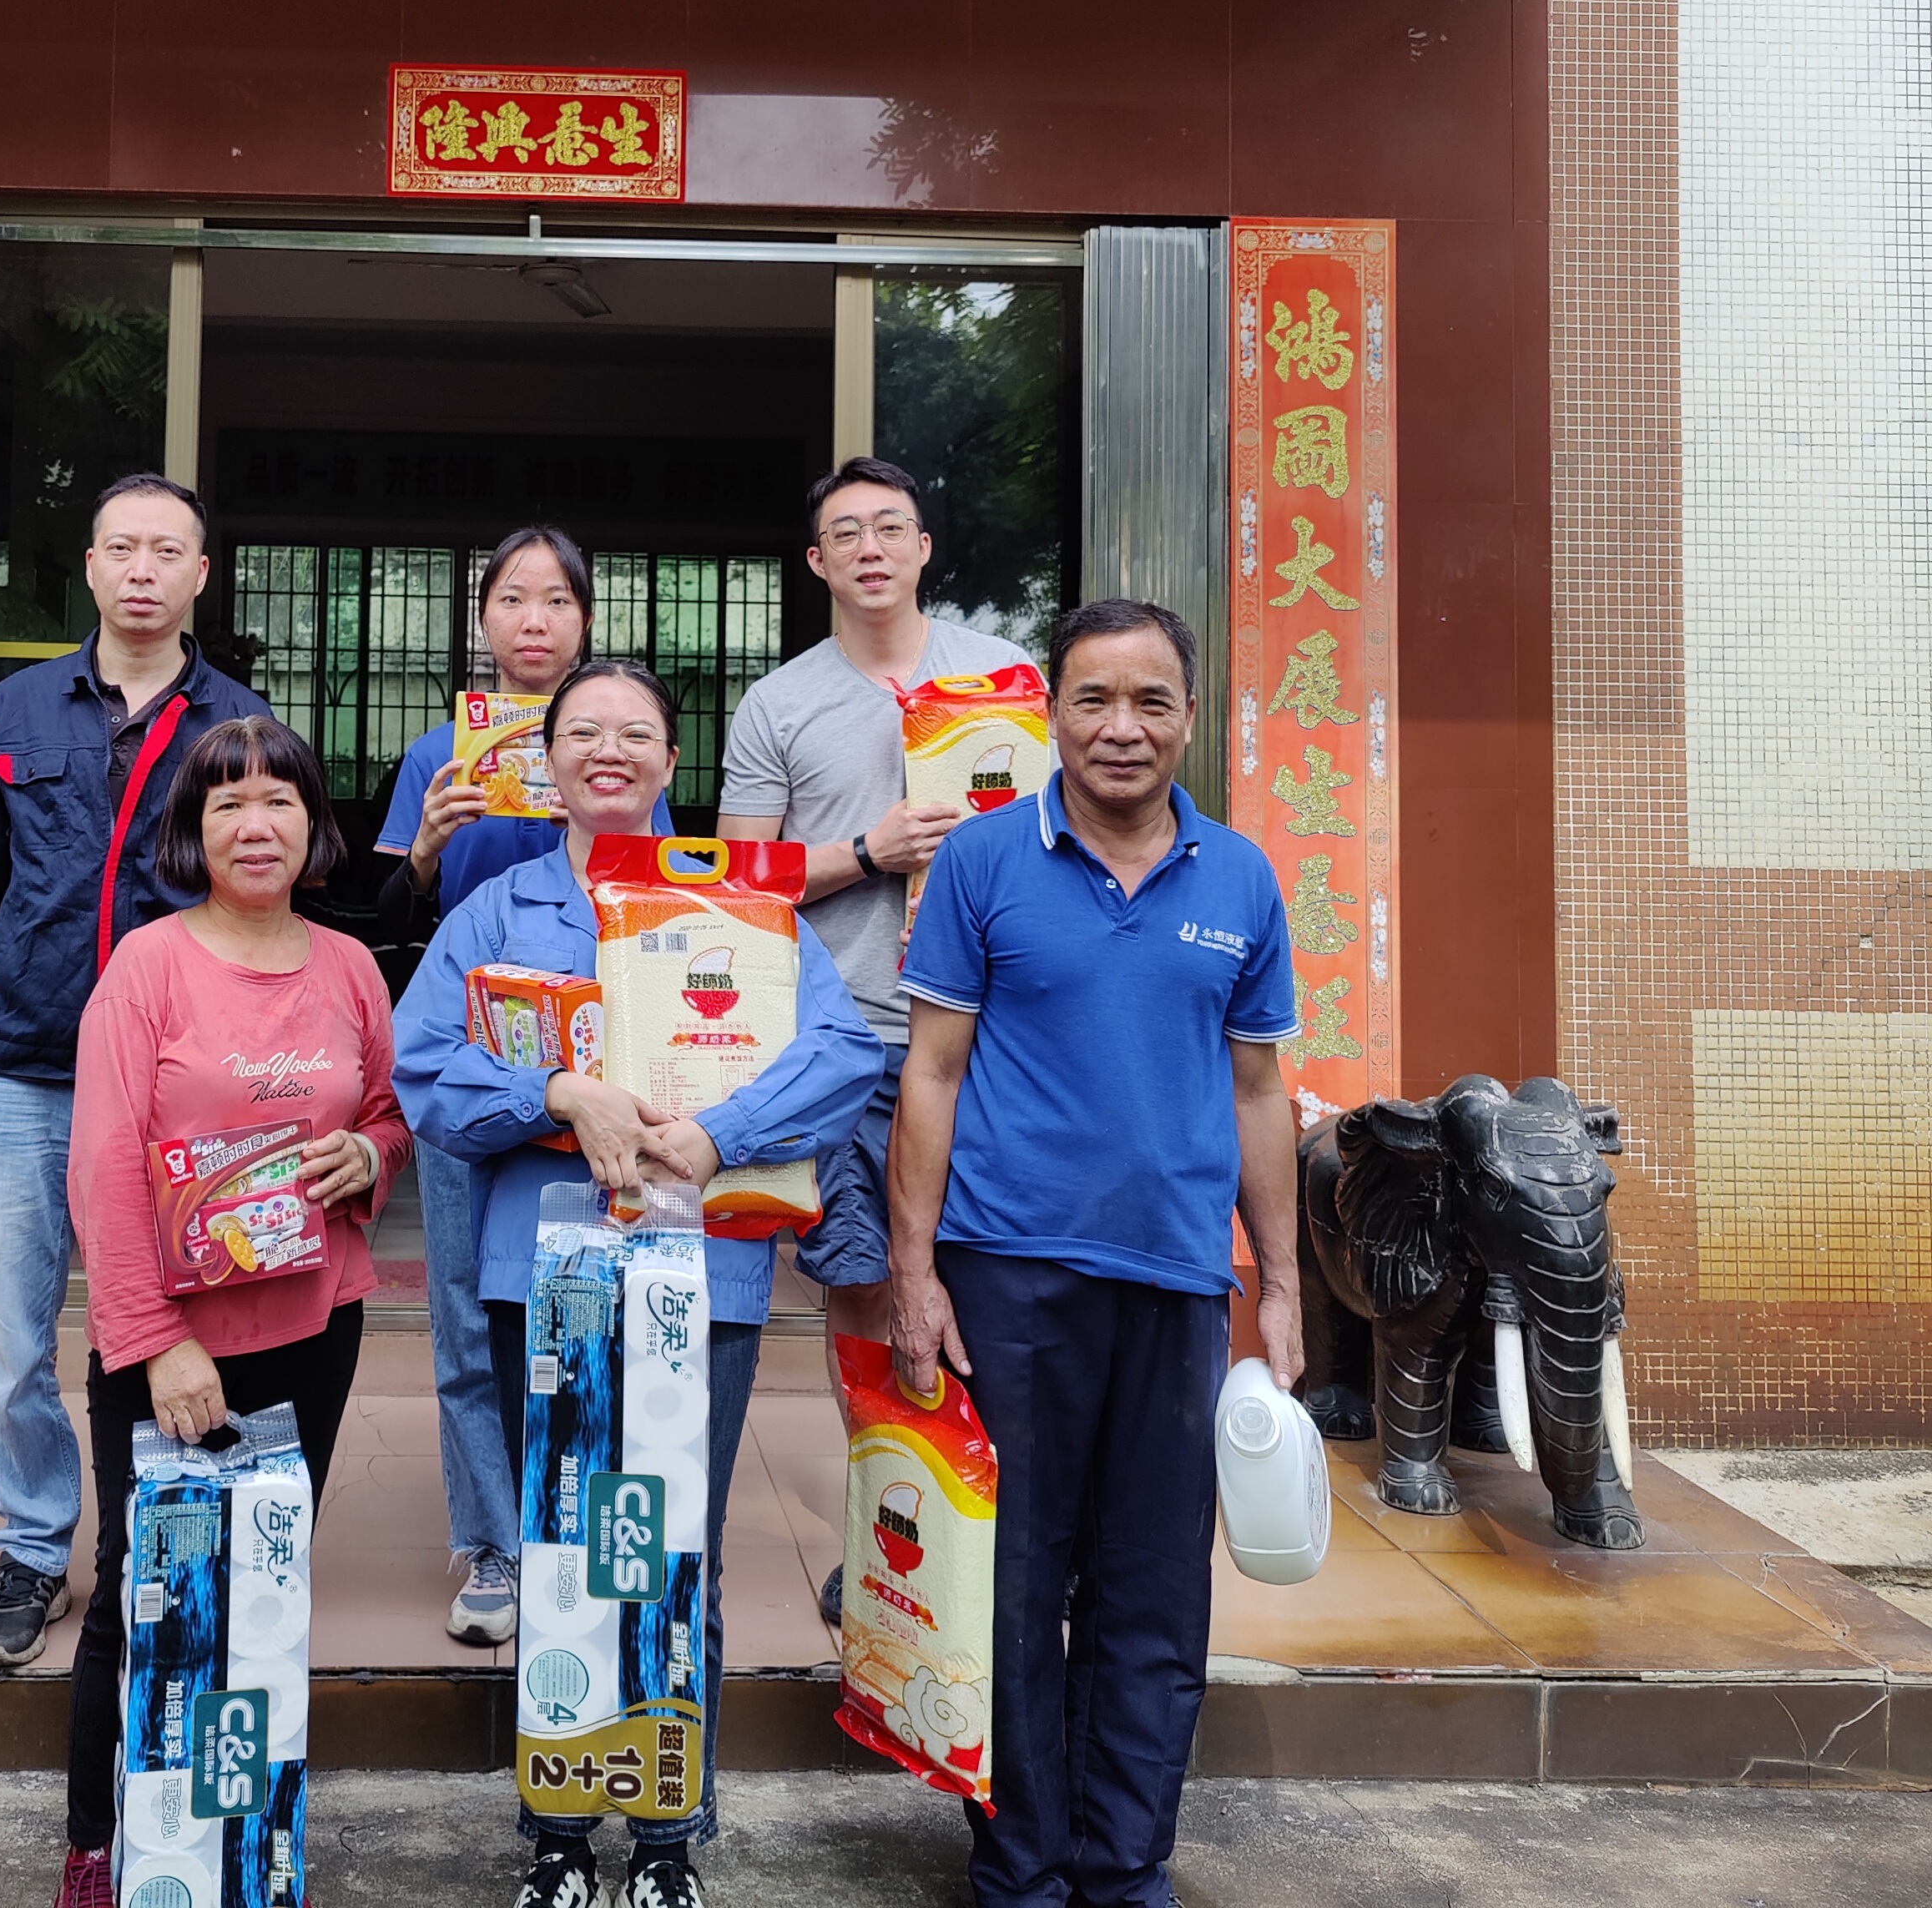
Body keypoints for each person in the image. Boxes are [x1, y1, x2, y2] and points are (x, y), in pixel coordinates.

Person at [395, 658, 882, 1908]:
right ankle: (558, 1835)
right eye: (582, 732)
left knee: (675, 1553)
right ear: (547, 761)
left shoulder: (743, 907)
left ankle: (669, 1836)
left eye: (635, 734)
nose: (607, 751)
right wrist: (555, 1092)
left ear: (671, 762)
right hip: (544, 1269)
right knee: (563, 1548)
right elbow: (425, 1064)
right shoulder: (497, 912)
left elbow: (840, 1050)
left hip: (701, 1269)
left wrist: (724, 1132)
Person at [887, 598, 1305, 1908]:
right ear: (1053, 713)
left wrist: (1283, 1284)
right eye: (1093, 699)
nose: (1122, 727)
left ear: (1190, 718)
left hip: (1178, 1279)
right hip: (1009, 1270)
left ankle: (1125, 1868)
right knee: (1011, 1581)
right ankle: (1020, 1868)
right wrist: (915, 1276)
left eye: (1151, 701)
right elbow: (931, 1074)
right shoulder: (983, 861)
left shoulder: (1240, 877)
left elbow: (1260, 1091)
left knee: (1154, 1591)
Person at [61, 713, 411, 1908]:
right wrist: (157, 1343)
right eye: (227, 804)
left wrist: (372, 1156)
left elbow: (386, 1111)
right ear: (191, 831)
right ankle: (99, 1843)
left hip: (314, 1326)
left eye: (279, 801)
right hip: (171, 1346)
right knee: (142, 1586)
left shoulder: (351, 966)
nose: (255, 825)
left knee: (266, 1578)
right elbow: (103, 1162)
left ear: (315, 826)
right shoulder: (148, 967)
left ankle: (241, 1834)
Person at [0, 473, 273, 1670]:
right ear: (89, 566)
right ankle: (34, 1546)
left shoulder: (238, 723)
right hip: (26, 1063)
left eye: (167, 552)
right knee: (13, 1337)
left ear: (201, 575)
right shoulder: (18, 709)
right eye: (122, 549)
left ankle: (171, 1536)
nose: (143, 571)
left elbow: (258, 893)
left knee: (187, 1318)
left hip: (176, 1075)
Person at [713, 454, 1032, 1620]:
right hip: (847, 1041)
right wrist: (869, 852)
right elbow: (739, 885)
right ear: (818, 562)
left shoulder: (1005, 683)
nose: (870, 549)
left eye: (890, 528)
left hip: (989, 1040)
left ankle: (996, 1533)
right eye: (845, 533)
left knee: (986, 1283)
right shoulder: (780, 702)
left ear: (923, 548)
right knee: (859, 1289)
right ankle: (887, 1531)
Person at [370, 524, 671, 1646]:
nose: (533, 619)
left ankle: (590, 1513)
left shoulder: (618, 746)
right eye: (511, 597)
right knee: (463, 1305)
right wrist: (425, 848)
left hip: (601, 1065)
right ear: (483, 617)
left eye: (555, 599)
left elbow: (668, 904)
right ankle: (491, 1541)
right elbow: (384, 923)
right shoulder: (438, 753)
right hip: (474, 1057)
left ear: (585, 620)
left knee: (591, 1294)